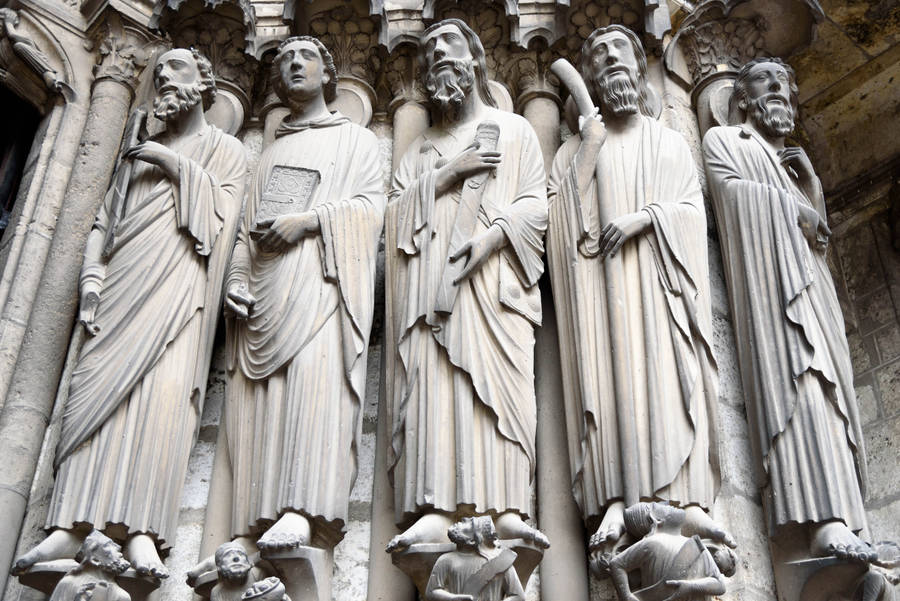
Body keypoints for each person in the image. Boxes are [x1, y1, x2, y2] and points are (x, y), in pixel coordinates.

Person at [13, 48, 247, 578]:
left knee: (160, 403)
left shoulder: (225, 150)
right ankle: (68, 525)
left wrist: (171, 163)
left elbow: (224, 220)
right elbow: (104, 220)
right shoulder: (136, 151)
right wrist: (93, 271)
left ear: (204, 81)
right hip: (120, 288)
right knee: (91, 396)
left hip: (180, 291)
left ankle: (142, 529)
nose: (163, 75)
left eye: (176, 68)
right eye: (158, 70)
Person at [546, 24, 732, 567]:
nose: (609, 62)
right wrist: (589, 149)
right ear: (592, 78)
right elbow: (562, 233)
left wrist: (642, 220)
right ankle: (613, 500)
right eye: (597, 56)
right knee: (603, 386)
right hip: (601, 298)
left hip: (660, 288)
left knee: (670, 378)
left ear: (637, 65)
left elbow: (691, 216)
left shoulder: (668, 141)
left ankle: (683, 498)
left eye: (619, 51)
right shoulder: (572, 153)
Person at [384, 18, 549, 551]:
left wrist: (492, 239)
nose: (435, 55)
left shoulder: (516, 130)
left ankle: (505, 507)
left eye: (447, 45)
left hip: (496, 286)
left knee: (500, 394)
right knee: (436, 386)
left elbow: (535, 206)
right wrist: (448, 173)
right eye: (427, 50)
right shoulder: (418, 153)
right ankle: (434, 505)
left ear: (476, 59)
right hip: (433, 288)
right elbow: (392, 224)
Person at [703, 58, 875, 562]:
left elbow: (817, 241)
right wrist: (788, 206)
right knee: (803, 388)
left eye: (786, 83)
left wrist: (812, 192)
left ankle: (850, 521)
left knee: (832, 394)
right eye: (765, 81)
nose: (779, 88)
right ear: (742, 98)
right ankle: (820, 524)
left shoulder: (799, 168)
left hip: (814, 295)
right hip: (773, 301)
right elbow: (730, 197)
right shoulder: (726, 142)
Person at [223, 36, 384, 552]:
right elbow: (247, 228)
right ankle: (255, 518)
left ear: (329, 72)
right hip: (268, 290)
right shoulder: (271, 151)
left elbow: (373, 209)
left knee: (317, 389)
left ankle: (302, 507)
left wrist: (310, 222)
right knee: (263, 402)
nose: (294, 63)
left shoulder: (355, 140)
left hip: (323, 282)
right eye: (285, 58)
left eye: (306, 56)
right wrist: (236, 279)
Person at [608, 503, 728, 601]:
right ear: (657, 519)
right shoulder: (652, 543)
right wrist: (627, 597)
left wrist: (691, 586)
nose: (668, 504)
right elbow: (616, 564)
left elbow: (720, 586)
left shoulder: (697, 546)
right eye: (658, 506)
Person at [426, 516, 525, 601]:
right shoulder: (446, 560)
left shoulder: (501, 561)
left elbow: (518, 597)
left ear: (473, 540)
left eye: (470, 523)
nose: (464, 519)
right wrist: (452, 598)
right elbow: (431, 591)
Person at [49, 531, 131, 601]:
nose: (118, 549)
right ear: (95, 560)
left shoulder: (122, 597)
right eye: (107, 545)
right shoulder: (69, 584)